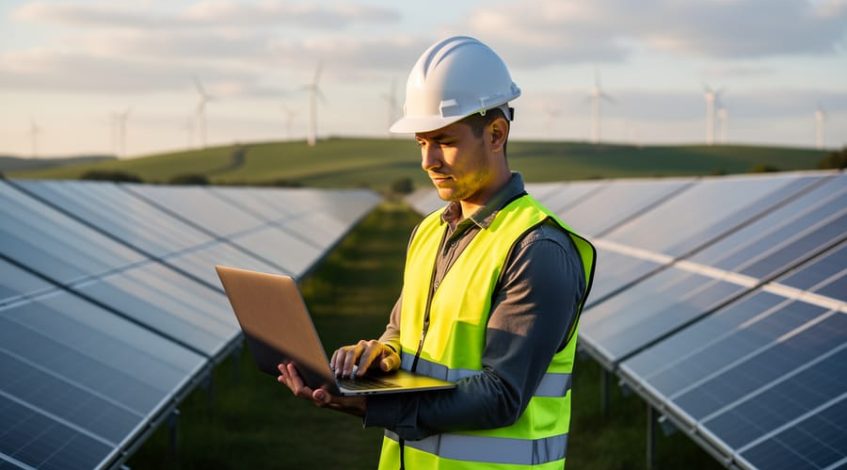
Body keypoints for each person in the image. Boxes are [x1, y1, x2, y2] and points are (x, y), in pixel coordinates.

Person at [277, 35, 596, 469]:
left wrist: (372, 408)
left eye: (444, 141)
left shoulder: (537, 249)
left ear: (496, 134)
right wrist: (377, 356)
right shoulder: (429, 233)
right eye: (420, 142)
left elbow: (502, 395)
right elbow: (403, 334)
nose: (428, 160)